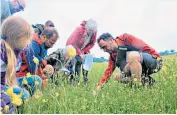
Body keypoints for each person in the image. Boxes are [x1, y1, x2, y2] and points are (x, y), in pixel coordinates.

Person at [95, 33, 162, 92]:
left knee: (132, 56)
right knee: (117, 77)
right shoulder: (113, 56)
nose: (104, 50)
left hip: (153, 61)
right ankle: (150, 83)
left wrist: (132, 61)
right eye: (102, 49)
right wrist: (99, 86)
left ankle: (137, 88)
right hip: (139, 68)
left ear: (111, 41)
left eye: (104, 47)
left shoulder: (126, 38)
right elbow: (108, 72)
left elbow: (144, 47)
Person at [0, 16, 34, 113]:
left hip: (6, 83)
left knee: (35, 80)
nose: (28, 44)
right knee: (24, 95)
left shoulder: (16, 50)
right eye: (27, 39)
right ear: (17, 39)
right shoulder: (2, 52)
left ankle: (20, 100)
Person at [66, 19, 97, 84]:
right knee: (73, 63)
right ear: (86, 27)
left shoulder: (94, 32)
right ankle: (72, 82)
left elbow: (92, 43)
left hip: (82, 49)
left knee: (83, 62)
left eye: (93, 31)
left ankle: (82, 81)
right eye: (90, 30)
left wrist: (84, 50)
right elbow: (73, 43)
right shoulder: (79, 29)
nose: (91, 32)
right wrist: (80, 53)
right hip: (72, 47)